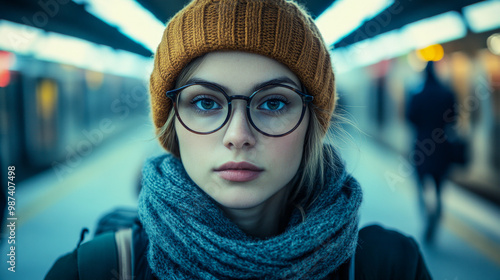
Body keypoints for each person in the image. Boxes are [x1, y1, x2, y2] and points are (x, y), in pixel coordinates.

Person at [46, 0, 432, 279]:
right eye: (205, 102)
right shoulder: (91, 271)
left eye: (274, 102)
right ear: (172, 124)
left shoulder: (391, 267)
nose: (238, 136)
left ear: (311, 124)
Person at [407, 61, 458, 243]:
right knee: (439, 188)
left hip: (422, 144)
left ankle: (427, 215)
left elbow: (410, 118)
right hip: (441, 145)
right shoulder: (447, 93)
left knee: (420, 185)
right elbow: (453, 118)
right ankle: (436, 215)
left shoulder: (417, 94)